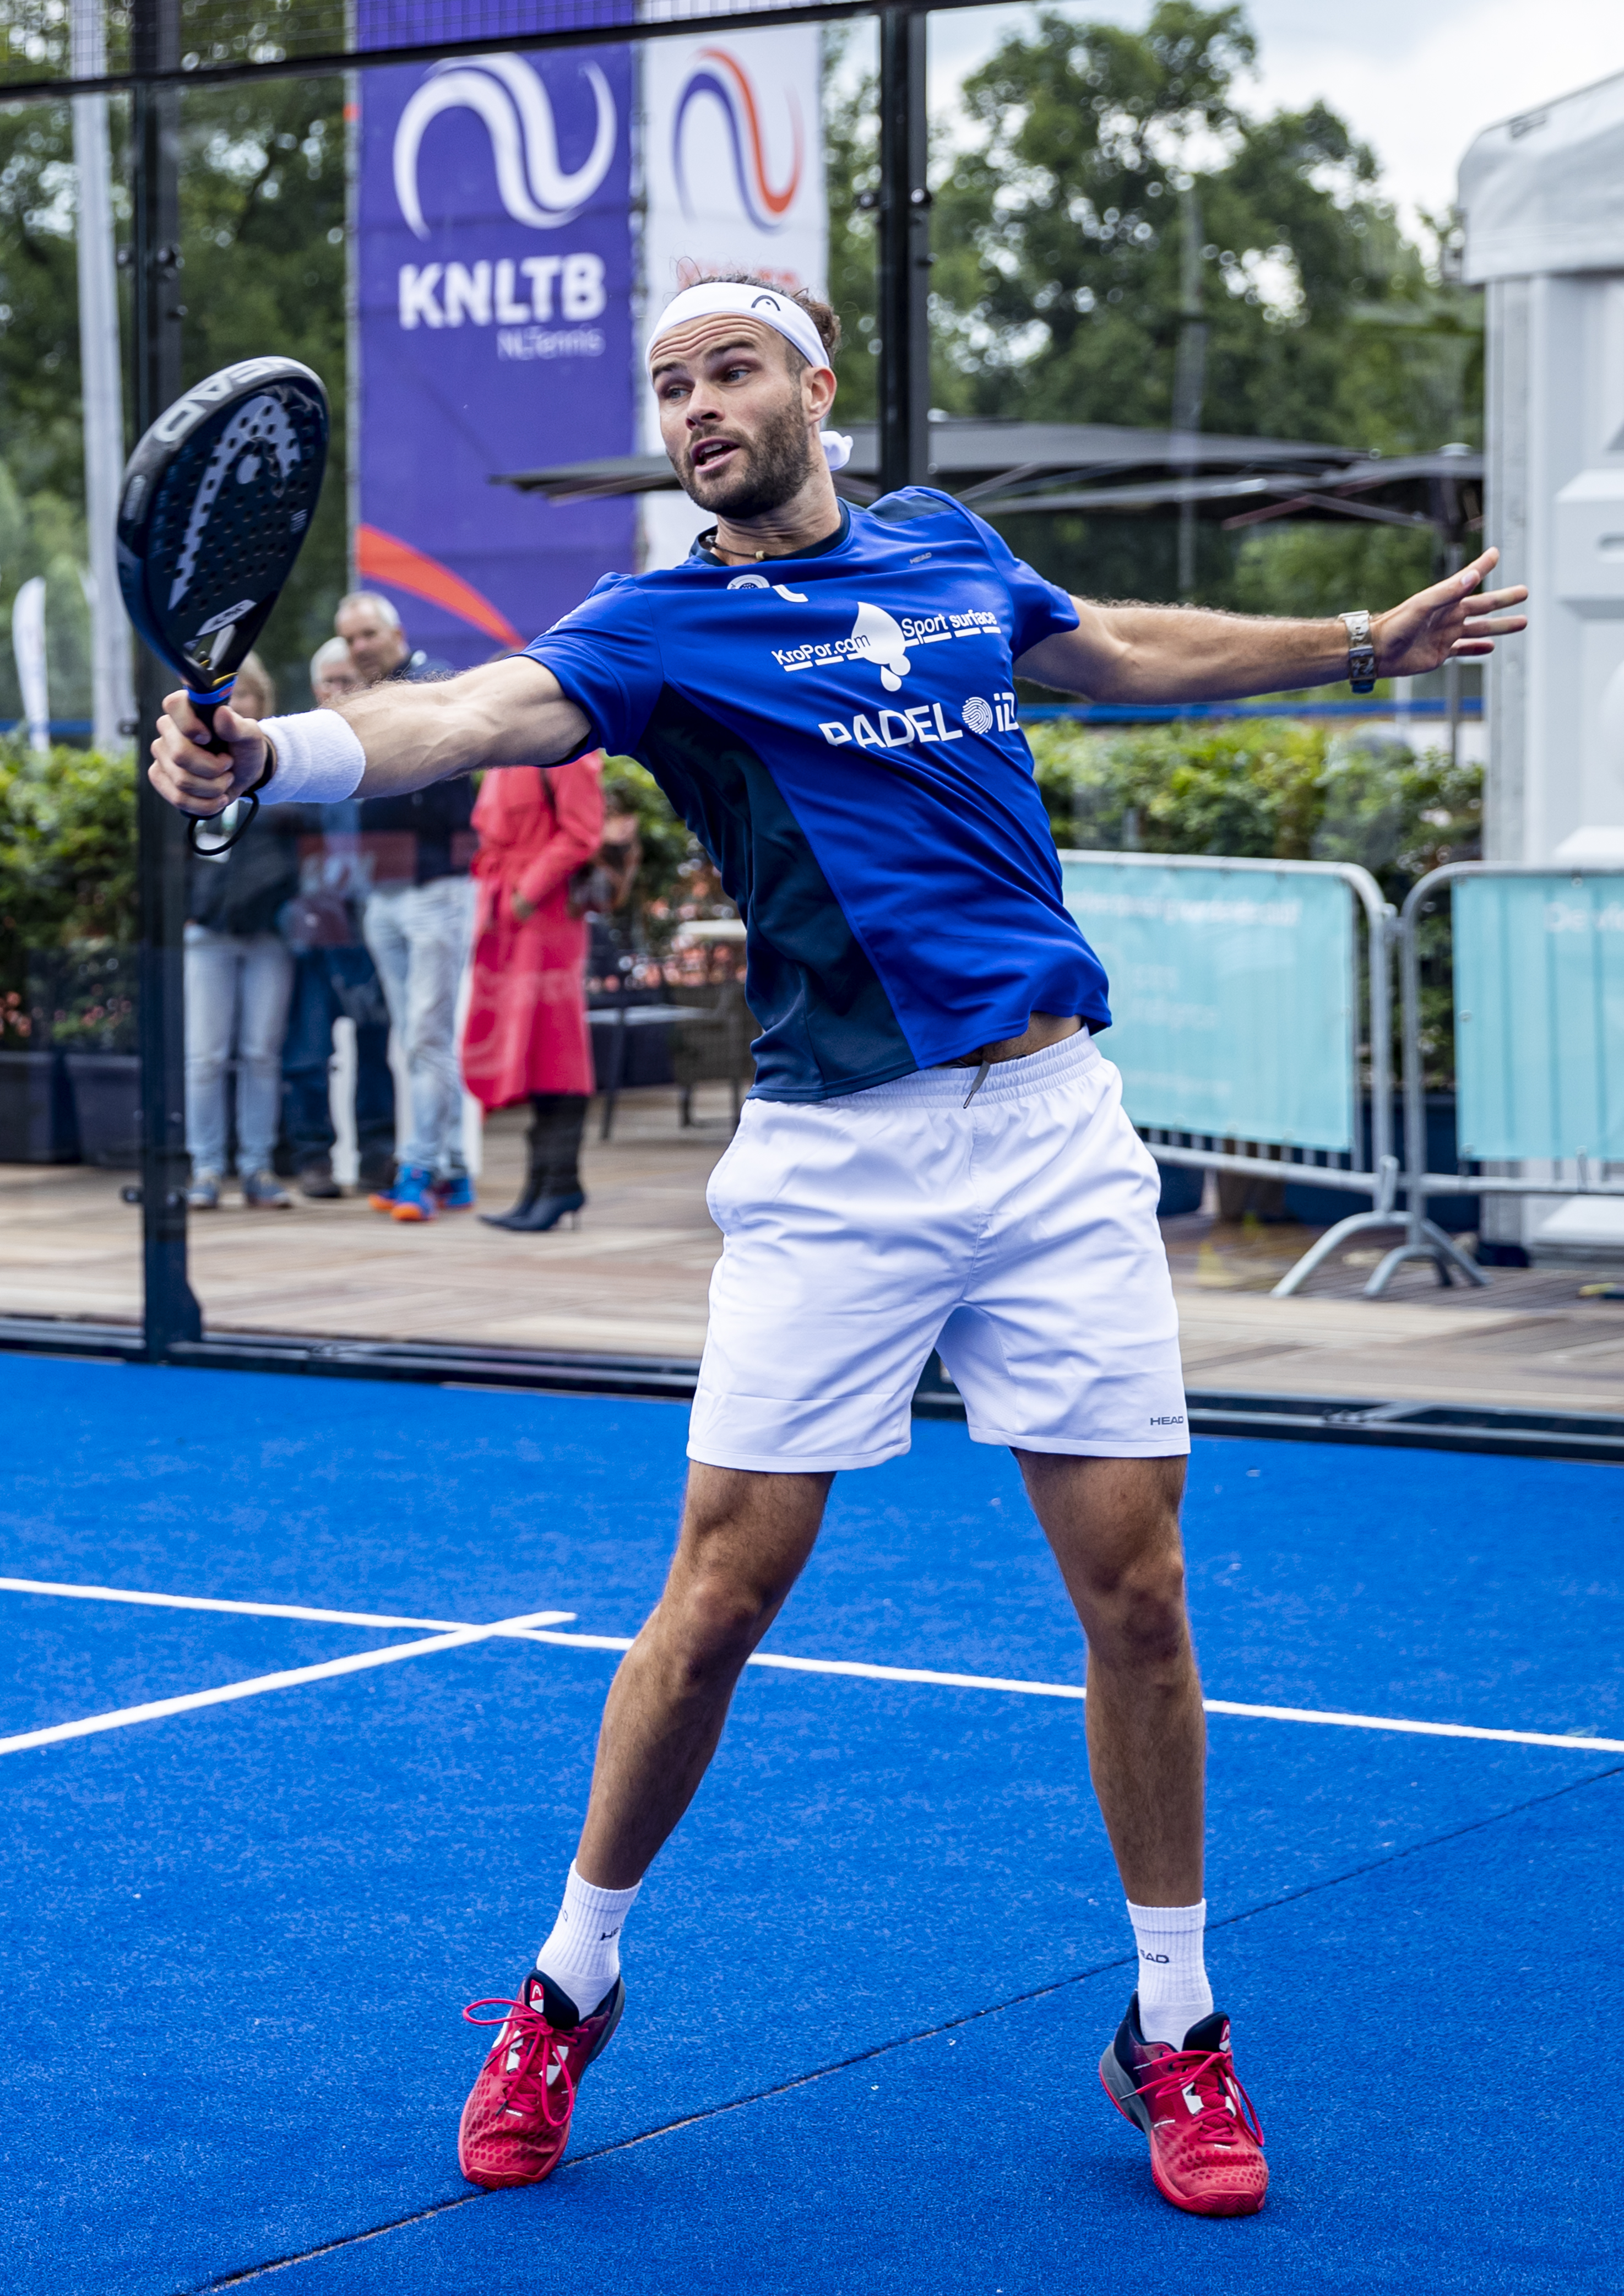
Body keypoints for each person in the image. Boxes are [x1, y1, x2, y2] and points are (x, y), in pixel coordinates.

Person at [150, 276, 1528, 2217]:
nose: (697, 407)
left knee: (1138, 1593)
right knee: (720, 1593)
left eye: (727, 372)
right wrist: (266, 751)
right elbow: (464, 712)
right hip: (838, 1165)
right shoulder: (659, 623)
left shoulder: (950, 551)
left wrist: (1358, 633)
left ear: (813, 388)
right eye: (669, 388)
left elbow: (1117, 640)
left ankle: (1178, 2022)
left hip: (1054, 1131)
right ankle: (570, 1979)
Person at [342, 590, 479, 1223]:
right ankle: (451, 1165)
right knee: (416, 1037)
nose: (359, 647)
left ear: (394, 632)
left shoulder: (430, 684)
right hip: (384, 889)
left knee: (426, 1033)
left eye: (367, 634)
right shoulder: (360, 700)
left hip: (436, 887)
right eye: (349, 639)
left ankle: (417, 1168)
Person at [463, 752, 604, 1234]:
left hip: (546, 916)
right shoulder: (505, 755)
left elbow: (582, 832)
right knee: (525, 1048)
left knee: (556, 1048)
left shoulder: (569, 756)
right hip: (508, 915)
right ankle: (544, 1183)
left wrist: (526, 892)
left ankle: (559, 1180)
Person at [274, 638, 394, 1198]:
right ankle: (312, 1156)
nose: (341, 691)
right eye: (332, 682)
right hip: (314, 927)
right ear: (316, 689)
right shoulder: (296, 751)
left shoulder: (392, 748)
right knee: (307, 1048)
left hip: (369, 919)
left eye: (351, 681)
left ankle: (377, 1155)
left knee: (374, 1045)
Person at [183, 654, 297, 1211]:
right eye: (229, 696)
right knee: (204, 1054)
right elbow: (168, 849)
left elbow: (303, 850)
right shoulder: (187, 766)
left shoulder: (283, 769)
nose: (238, 705)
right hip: (206, 930)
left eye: (248, 695)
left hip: (268, 933)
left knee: (260, 1052)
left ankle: (257, 1165)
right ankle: (205, 1166)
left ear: (263, 702)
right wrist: (184, 906)